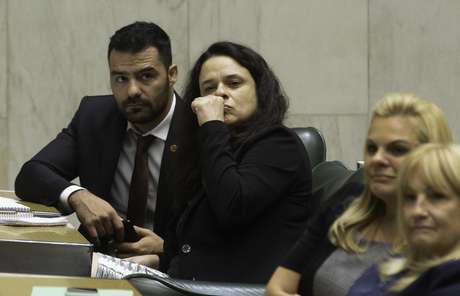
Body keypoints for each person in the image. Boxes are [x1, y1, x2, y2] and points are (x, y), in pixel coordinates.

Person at [129, 41, 313, 283]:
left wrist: (213, 126)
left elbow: (232, 207)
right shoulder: (207, 150)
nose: (220, 93)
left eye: (234, 84)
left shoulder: (279, 144)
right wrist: (158, 261)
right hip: (189, 284)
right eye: (209, 87)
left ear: (260, 89)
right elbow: (200, 245)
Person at [14, 22, 199, 257]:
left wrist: (167, 250)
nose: (132, 90)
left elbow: (224, 234)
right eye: (121, 78)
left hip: (169, 272)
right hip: (99, 261)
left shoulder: (196, 128)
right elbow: (31, 174)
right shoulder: (95, 117)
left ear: (171, 75)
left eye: (146, 76)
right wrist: (78, 196)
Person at [265, 93, 453, 296]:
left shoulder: (440, 240)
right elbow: (277, 288)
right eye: (372, 148)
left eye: (397, 149)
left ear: (431, 155)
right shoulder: (347, 205)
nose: (377, 159)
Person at [348, 143, 460, 295]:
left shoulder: (453, 280)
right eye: (410, 198)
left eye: (437, 197)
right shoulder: (402, 259)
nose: (417, 211)